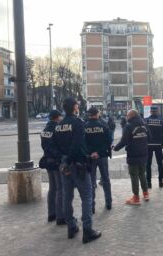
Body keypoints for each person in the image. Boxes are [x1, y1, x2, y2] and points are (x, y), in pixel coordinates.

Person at [53, 97, 101, 244]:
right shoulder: (78, 123)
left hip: (65, 165)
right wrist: (70, 160)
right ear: (74, 107)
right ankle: (87, 231)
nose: (78, 107)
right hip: (78, 164)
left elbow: (55, 146)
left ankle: (71, 226)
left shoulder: (59, 125)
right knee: (86, 196)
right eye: (77, 105)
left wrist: (63, 161)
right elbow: (77, 144)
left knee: (67, 196)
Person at [113, 109, 149, 205]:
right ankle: (146, 194)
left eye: (127, 115)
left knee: (134, 176)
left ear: (131, 116)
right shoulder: (144, 124)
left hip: (133, 155)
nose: (126, 117)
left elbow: (124, 141)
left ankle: (136, 198)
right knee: (142, 174)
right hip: (143, 154)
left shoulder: (128, 126)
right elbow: (150, 138)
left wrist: (115, 148)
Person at [85, 107, 113, 212]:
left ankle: (91, 206)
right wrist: (99, 152)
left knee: (91, 181)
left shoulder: (84, 127)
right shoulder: (103, 125)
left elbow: (82, 143)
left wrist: (91, 153)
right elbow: (108, 141)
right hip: (102, 156)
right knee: (105, 179)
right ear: (97, 114)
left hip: (90, 157)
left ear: (89, 115)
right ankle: (108, 202)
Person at [40, 110, 65, 225]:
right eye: (60, 116)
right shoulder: (57, 129)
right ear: (57, 117)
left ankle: (51, 213)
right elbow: (60, 145)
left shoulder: (44, 130)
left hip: (47, 160)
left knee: (52, 188)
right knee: (60, 188)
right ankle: (61, 216)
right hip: (56, 161)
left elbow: (44, 146)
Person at [145, 106, 163, 188]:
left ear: (150, 112)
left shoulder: (146, 120)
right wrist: (162, 141)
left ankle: (149, 182)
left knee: (148, 164)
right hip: (158, 145)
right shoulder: (161, 121)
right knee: (160, 163)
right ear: (157, 111)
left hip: (148, 145)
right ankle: (160, 181)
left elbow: (144, 132)